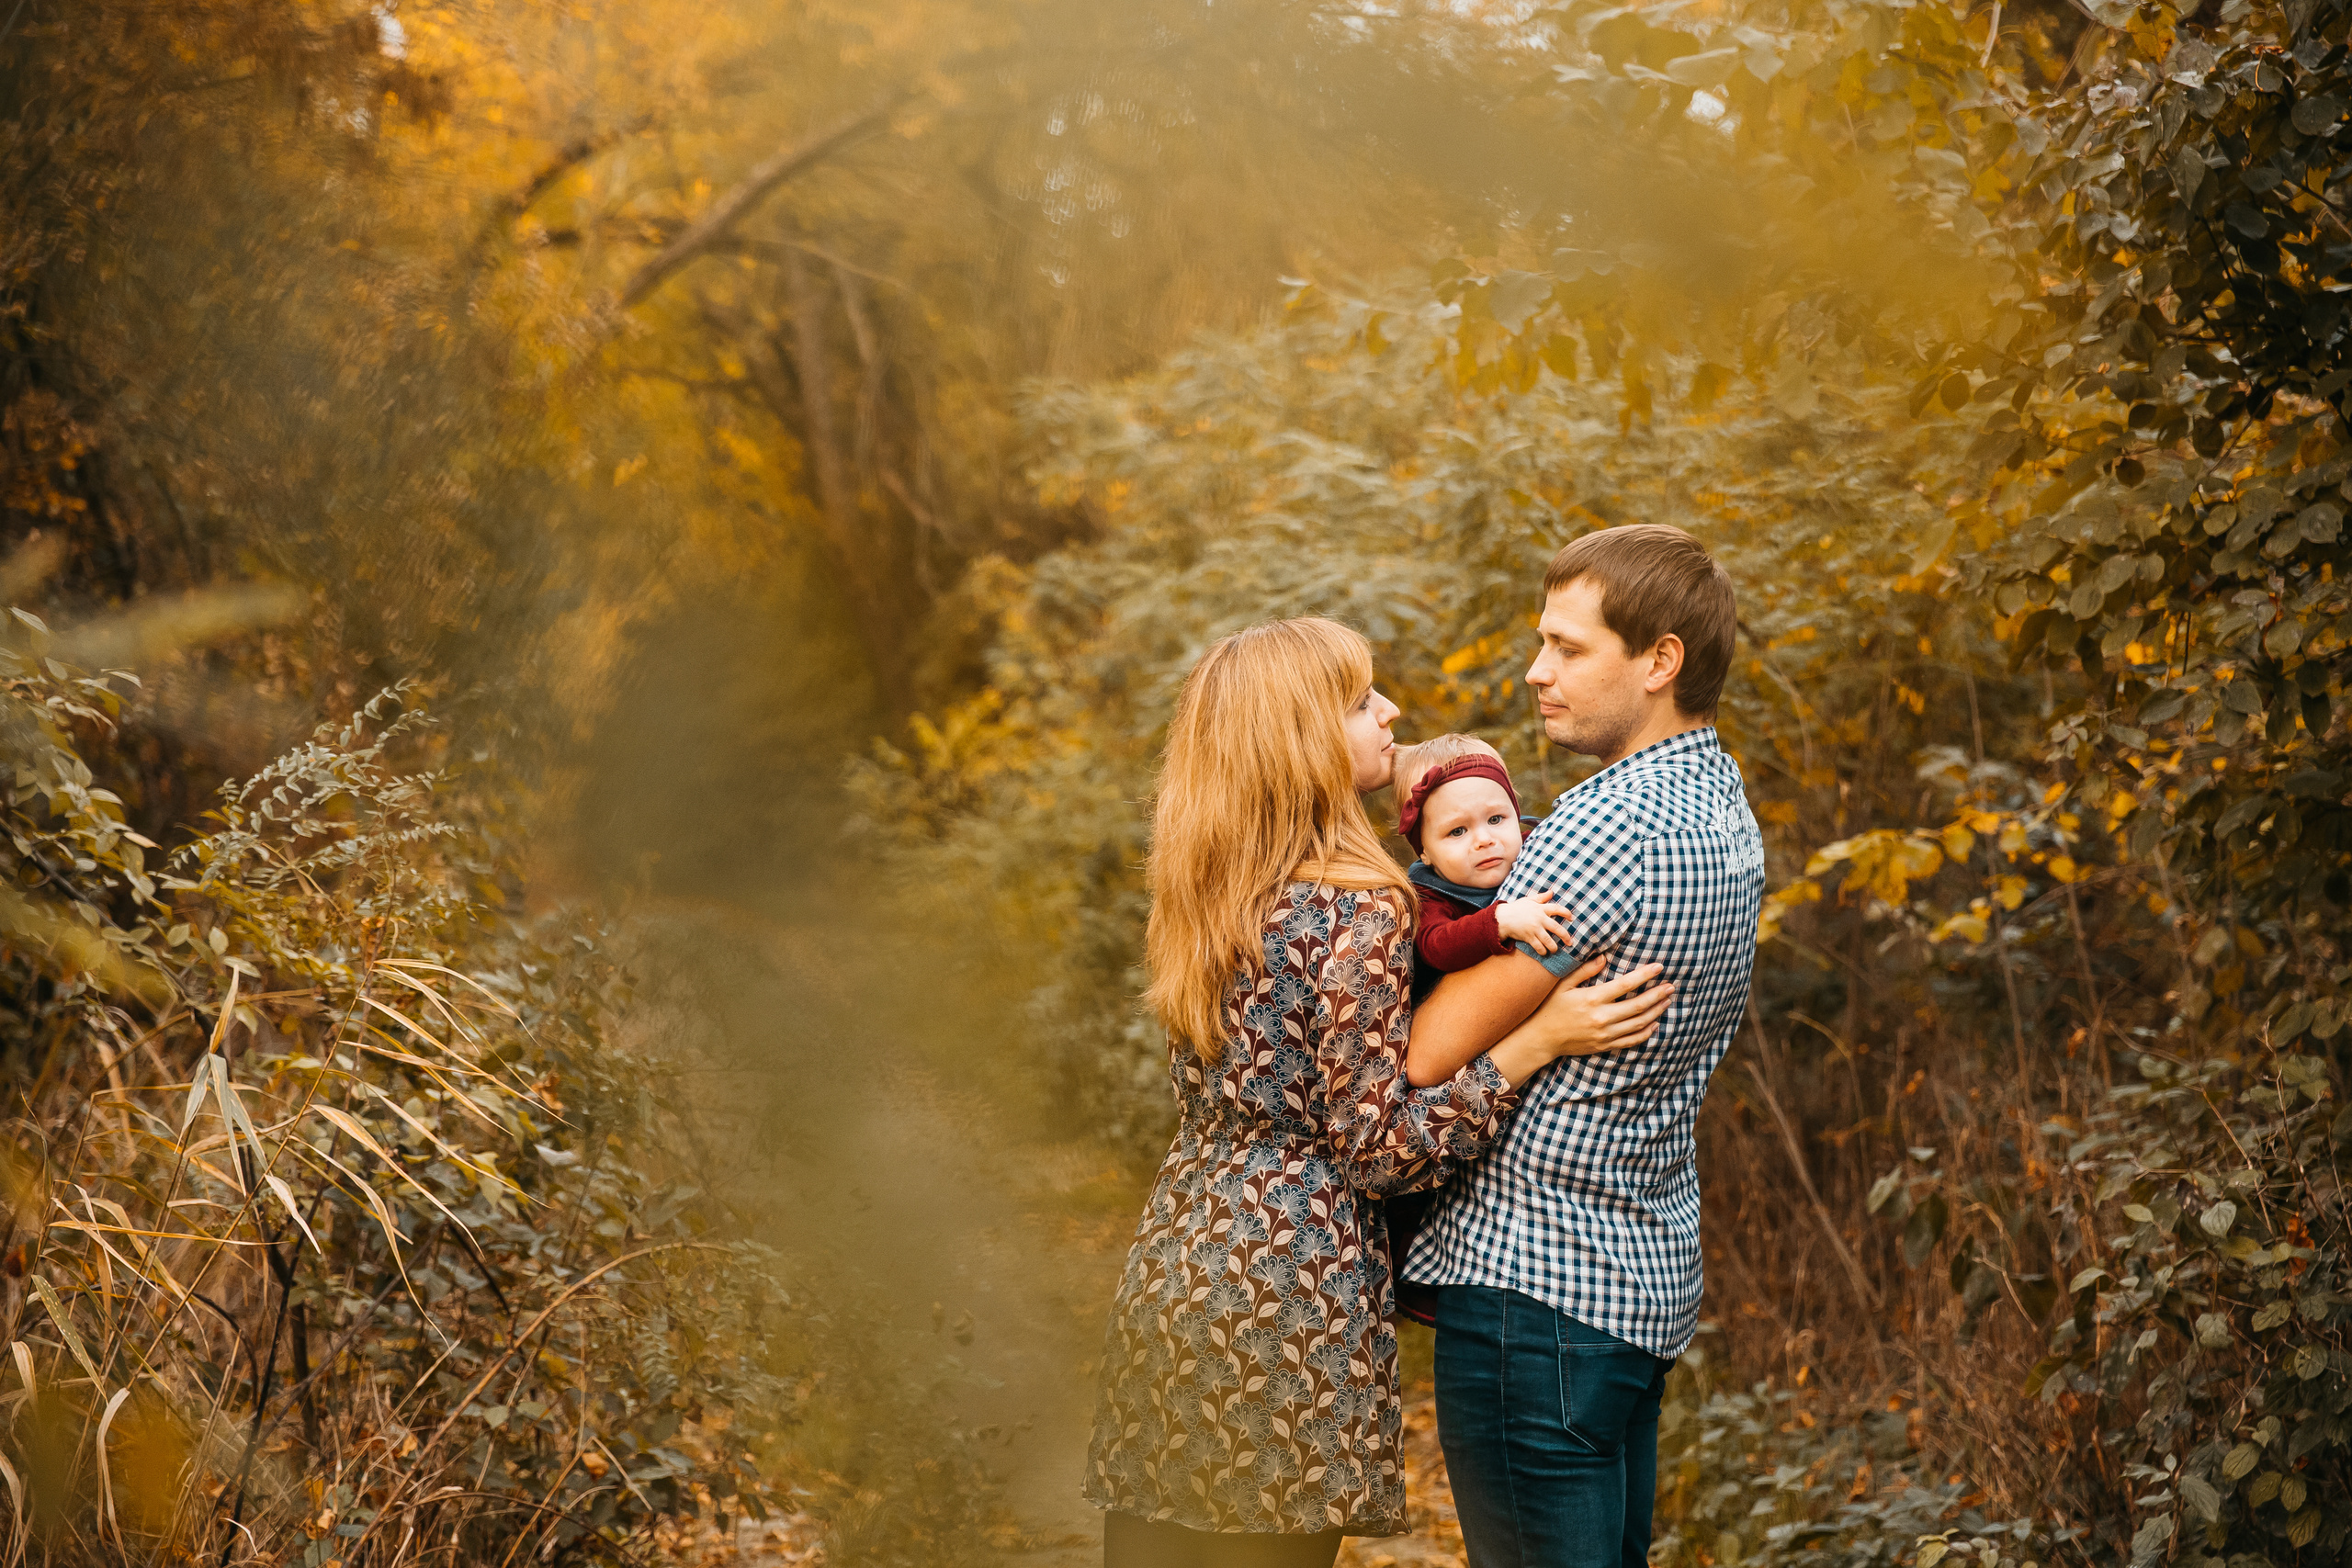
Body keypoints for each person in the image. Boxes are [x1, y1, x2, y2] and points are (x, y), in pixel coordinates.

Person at [1082, 616, 1675, 1568]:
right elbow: (1379, 1149)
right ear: (1298, 739)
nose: (1389, 710)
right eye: (1361, 701)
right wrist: (1533, 1045)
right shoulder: (1355, 906)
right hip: (1292, 1284)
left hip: (1184, 1259)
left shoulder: (1213, 883)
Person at [1399, 525, 1765, 1568]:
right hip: (1635, 1282)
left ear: (1659, 662)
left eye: (1567, 647)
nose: (1536, 670)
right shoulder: (1722, 804)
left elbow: (1430, 1053)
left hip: (1534, 1296)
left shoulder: (1603, 824)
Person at [1389, 734, 1571, 1005]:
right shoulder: (1428, 895)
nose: (1484, 840)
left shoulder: (1539, 845)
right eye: (1457, 831)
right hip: (1463, 1012)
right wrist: (1501, 921)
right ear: (1424, 850)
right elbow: (1435, 945)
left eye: (1496, 819)